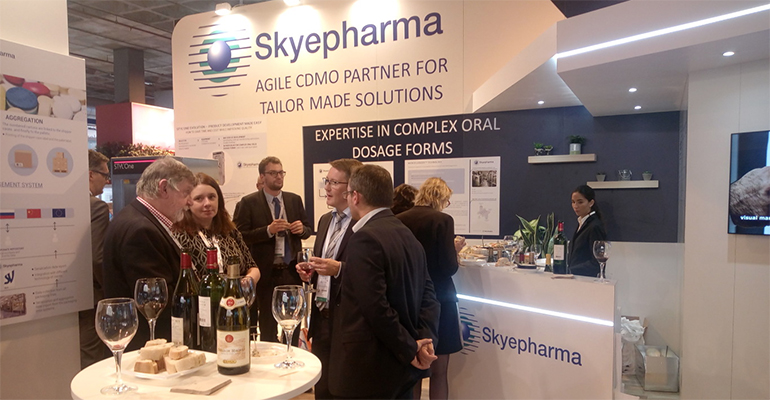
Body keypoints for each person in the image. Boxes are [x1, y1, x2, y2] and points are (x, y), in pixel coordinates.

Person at [329, 164, 440, 399]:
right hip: (401, 369)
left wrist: (412, 348)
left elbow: (375, 308)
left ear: (355, 197)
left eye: (348, 194)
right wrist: (424, 341)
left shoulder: (365, 239)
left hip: (371, 370)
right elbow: (429, 296)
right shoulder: (407, 234)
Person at [103, 157, 196, 350]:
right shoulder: (141, 229)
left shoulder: (136, 218)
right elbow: (155, 302)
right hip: (148, 345)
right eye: (186, 192)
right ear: (164, 188)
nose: (190, 201)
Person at [295, 158, 361, 399]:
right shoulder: (325, 220)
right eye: (327, 181)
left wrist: (340, 269)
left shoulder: (363, 223)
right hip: (321, 316)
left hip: (347, 320)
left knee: (345, 388)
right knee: (322, 388)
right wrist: (310, 272)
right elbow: (325, 263)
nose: (327, 187)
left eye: (334, 182)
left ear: (351, 189)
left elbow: (369, 271)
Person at [396, 178, 465, 400]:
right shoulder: (443, 220)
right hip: (440, 299)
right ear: (440, 198)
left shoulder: (400, 219)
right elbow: (448, 267)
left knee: (413, 369)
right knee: (439, 371)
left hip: (410, 300)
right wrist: (454, 250)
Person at [233, 156, 312, 344]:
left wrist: (302, 230)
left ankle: (292, 352)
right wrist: (268, 230)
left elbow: (308, 230)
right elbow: (239, 236)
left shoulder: (294, 200)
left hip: (291, 269)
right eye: (273, 173)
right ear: (262, 176)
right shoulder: (248, 202)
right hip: (265, 271)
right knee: (267, 323)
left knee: (293, 317)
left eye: (281, 172)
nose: (278, 176)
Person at [173, 172, 260, 284]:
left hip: (236, 293)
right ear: (188, 203)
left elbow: (252, 266)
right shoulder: (180, 236)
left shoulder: (230, 231)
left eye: (211, 197)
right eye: (199, 198)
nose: (207, 203)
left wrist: (247, 281)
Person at [79, 149, 111, 369]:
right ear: (91, 174)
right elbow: (97, 258)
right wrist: (109, 291)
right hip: (91, 296)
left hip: (65, 298)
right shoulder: (96, 207)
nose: (107, 181)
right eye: (104, 175)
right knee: (91, 359)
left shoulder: (66, 204)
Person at [568, 185, 607, 277]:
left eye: (580, 202)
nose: (575, 206)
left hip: (586, 279)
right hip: (577, 277)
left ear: (591, 203)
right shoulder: (582, 223)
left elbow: (596, 262)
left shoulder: (594, 226)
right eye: (573, 202)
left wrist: (570, 270)